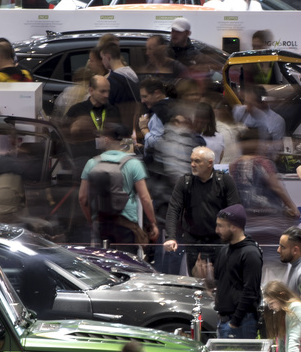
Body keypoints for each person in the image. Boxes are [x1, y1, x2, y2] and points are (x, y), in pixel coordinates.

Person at [79, 123, 158, 250]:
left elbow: (82, 198)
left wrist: (91, 220)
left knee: (103, 263)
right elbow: (144, 197)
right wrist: (152, 222)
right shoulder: (133, 163)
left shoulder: (92, 163)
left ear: (106, 139)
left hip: (101, 222)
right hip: (126, 223)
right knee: (127, 263)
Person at [164, 146, 240, 276]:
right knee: (196, 283)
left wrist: (235, 238)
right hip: (194, 241)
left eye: (197, 161)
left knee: (222, 280)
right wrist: (170, 237)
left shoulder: (224, 181)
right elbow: (173, 209)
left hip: (219, 241)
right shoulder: (185, 182)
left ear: (210, 163)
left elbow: (235, 210)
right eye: (191, 160)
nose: (192, 164)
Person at [213, 204, 263, 339]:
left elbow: (250, 291)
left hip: (241, 323)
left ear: (234, 227)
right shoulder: (224, 250)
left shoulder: (250, 253)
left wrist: (235, 322)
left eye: (220, 226)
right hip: (223, 320)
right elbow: (220, 281)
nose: (217, 230)